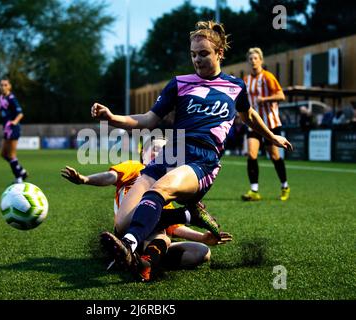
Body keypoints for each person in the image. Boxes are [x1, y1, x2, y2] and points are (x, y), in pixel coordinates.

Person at [90, 21, 292, 278]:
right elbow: (148, 120)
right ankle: (185, 215)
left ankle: (131, 248)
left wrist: (272, 136)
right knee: (123, 222)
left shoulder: (235, 86)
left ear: (220, 53)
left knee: (158, 191)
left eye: (204, 53)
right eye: (193, 54)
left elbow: (249, 115)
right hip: (169, 155)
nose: (197, 59)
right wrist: (112, 118)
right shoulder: (179, 84)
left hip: (202, 160)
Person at [61, 137, 232, 281]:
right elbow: (110, 176)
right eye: (155, 149)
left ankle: (143, 262)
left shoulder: (165, 188)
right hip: (127, 228)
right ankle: (187, 214)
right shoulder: (136, 168)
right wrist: (85, 179)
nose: (160, 154)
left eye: (165, 151)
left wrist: (202, 237)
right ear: (143, 153)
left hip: (149, 241)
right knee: (159, 230)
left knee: (201, 252)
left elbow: (174, 228)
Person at [241, 47, 290, 202]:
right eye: (250, 59)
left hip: (271, 122)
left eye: (256, 58)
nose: (253, 61)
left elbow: (281, 95)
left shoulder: (268, 77)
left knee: (274, 156)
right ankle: (254, 190)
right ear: (248, 62)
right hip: (254, 123)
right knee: (251, 154)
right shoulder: (246, 80)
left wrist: (265, 99)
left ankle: (284, 186)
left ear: (261, 60)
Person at [0, 78, 28, 183]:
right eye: (1, 85)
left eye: (5, 85)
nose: (3, 87)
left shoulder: (11, 98)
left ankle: (19, 178)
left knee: (11, 155)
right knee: (2, 154)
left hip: (13, 129)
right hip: (6, 129)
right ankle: (21, 171)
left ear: (9, 86)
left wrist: (14, 122)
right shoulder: (1, 97)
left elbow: (20, 113)